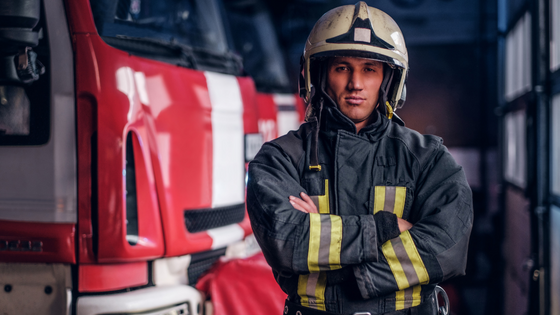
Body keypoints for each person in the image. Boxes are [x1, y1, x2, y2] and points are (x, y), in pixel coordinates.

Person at [246, 2, 473, 314]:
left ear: (388, 79)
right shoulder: (280, 158)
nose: (356, 83)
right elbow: (286, 241)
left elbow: (449, 245)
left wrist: (342, 262)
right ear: (320, 74)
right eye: (342, 68)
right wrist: (387, 227)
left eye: (369, 69)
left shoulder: (428, 159)